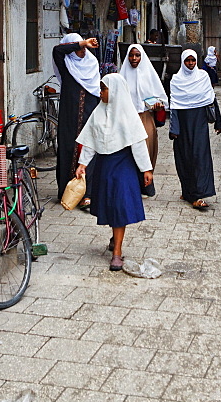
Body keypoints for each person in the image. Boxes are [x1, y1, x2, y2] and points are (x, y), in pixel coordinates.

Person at [75, 74, 153, 272]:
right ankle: (115, 238)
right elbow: (91, 140)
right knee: (110, 204)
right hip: (104, 165)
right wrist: (82, 164)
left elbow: (138, 144)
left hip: (123, 165)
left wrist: (146, 169)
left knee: (120, 204)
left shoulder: (128, 114)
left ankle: (117, 252)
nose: (100, 93)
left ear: (115, 90)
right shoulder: (98, 113)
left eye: (104, 89)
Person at [169, 49, 221, 209]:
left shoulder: (203, 77)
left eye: (193, 60)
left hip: (199, 123)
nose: (190, 63)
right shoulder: (176, 80)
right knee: (184, 157)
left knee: (199, 157)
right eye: (187, 61)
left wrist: (218, 121)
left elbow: (210, 98)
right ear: (183, 61)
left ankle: (198, 195)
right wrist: (174, 129)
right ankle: (187, 191)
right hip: (183, 126)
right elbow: (174, 106)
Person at [53, 33, 100, 207]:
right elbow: (57, 50)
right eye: (78, 47)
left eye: (84, 48)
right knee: (68, 149)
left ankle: (87, 193)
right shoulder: (66, 65)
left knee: (88, 150)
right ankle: (67, 191)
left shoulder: (92, 63)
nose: (82, 50)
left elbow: (96, 92)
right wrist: (81, 42)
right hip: (69, 117)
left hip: (89, 115)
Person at [120, 44, 167, 197]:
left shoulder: (149, 74)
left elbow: (162, 97)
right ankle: (131, 185)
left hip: (146, 116)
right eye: (131, 55)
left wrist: (158, 104)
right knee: (128, 152)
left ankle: (146, 184)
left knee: (147, 149)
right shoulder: (122, 76)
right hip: (127, 118)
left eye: (137, 55)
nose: (134, 58)